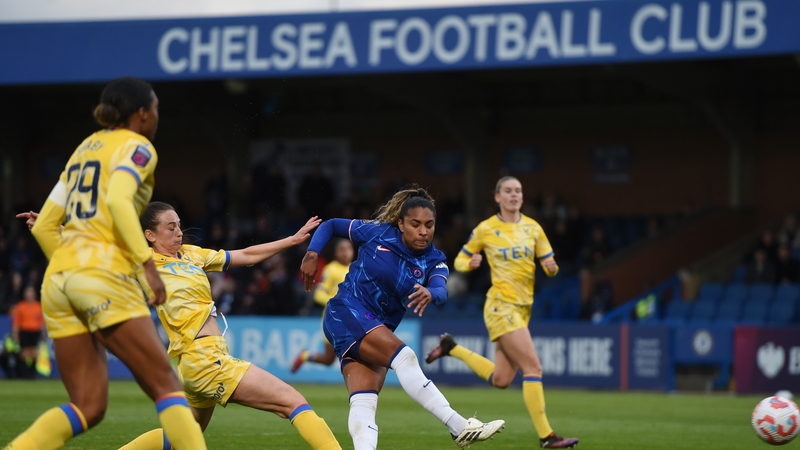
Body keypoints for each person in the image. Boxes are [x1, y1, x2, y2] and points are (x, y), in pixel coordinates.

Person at [4, 77, 208, 450]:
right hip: (103, 276)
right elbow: (117, 200)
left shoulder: (85, 148)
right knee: (166, 386)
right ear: (142, 113)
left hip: (58, 281)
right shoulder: (139, 147)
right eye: (157, 108)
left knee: (88, 405)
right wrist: (146, 264)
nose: (158, 115)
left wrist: (74, 274)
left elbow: (46, 225)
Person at [118, 202, 341, 450]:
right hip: (204, 359)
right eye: (170, 228)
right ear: (150, 235)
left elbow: (245, 255)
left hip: (199, 360)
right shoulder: (143, 261)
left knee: (187, 430)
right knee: (292, 401)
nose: (179, 232)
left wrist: (291, 240)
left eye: (179, 226)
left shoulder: (191, 254)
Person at [300, 186, 505, 450]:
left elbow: (441, 289)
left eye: (429, 225)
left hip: (373, 327)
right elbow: (330, 225)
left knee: (365, 401)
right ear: (400, 223)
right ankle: (459, 427)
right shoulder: (377, 232)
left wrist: (431, 292)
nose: (423, 231)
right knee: (405, 357)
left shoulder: (435, 259)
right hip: (345, 311)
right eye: (415, 224)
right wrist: (313, 251)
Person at [425, 176, 579, 449]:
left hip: (522, 308)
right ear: (497, 197)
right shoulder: (486, 229)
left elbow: (549, 264)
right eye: (508, 191)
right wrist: (470, 263)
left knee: (502, 379)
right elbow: (459, 260)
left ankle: (452, 349)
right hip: (500, 306)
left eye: (518, 191)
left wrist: (552, 267)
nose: (514, 195)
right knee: (533, 367)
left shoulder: (533, 228)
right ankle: (547, 436)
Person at [291, 238, 354, 373]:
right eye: (341, 249)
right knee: (328, 359)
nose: (345, 252)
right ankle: (304, 356)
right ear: (336, 253)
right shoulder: (330, 270)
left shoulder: (356, 269)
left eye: (348, 249)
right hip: (332, 318)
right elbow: (318, 294)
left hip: (352, 318)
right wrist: (337, 301)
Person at [10, 286, 46, 379]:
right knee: (24, 353)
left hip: (35, 331)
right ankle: (24, 374)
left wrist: (43, 334)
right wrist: (15, 334)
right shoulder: (20, 306)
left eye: (31, 292)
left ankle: (32, 373)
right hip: (24, 331)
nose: (29, 294)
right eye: (27, 292)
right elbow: (16, 323)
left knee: (34, 352)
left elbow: (41, 322)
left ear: (34, 294)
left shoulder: (38, 306)